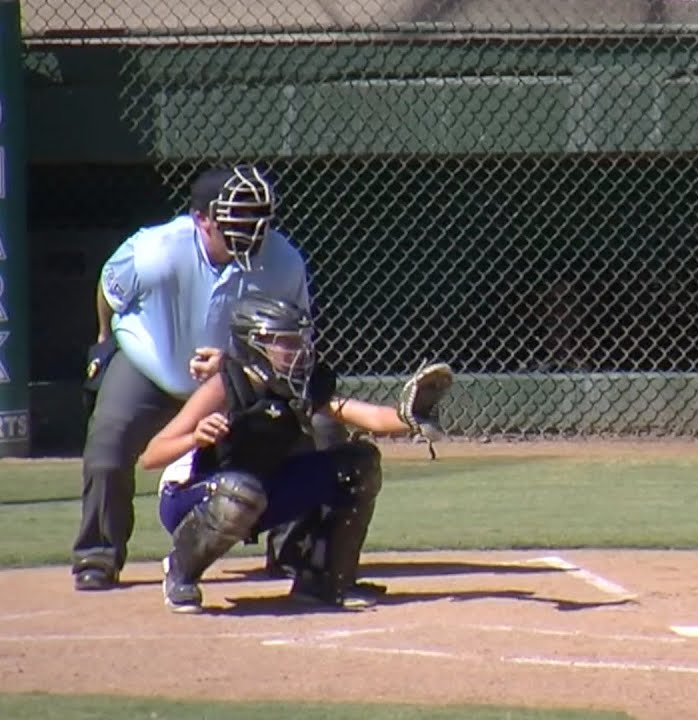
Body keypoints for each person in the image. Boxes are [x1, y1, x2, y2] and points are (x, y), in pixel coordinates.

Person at [139, 292, 453, 613]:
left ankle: (322, 580)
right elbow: (151, 456)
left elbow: (367, 416)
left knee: (358, 464)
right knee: (241, 491)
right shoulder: (225, 387)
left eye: (298, 341)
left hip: (257, 491)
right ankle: (181, 571)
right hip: (191, 494)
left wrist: (409, 417)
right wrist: (195, 436)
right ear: (253, 344)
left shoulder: (299, 387)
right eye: (284, 343)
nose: (297, 351)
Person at [73, 165, 310, 591]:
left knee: (307, 431)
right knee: (109, 444)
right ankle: (98, 555)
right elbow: (109, 291)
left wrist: (234, 365)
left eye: (259, 218)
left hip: (235, 374)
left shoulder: (283, 260)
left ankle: (295, 555)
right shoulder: (156, 250)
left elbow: (288, 337)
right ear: (202, 218)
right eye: (239, 218)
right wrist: (105, 340)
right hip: (152, 363)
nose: (253, 230)